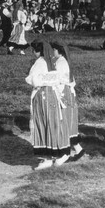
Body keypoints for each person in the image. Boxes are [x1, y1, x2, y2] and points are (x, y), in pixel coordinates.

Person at [25, 40, 71, 169]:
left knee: (42, 123)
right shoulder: (51, 62)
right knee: (53, 123)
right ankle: (56, 153)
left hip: (42, 95)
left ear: (36, 51)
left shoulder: (40, 62)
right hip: (52, 94)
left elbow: (33, 79)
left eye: (33, 50)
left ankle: (47, 157)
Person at [51, 41, 84, 161]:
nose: (52, 52)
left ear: (59, 51)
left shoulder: (60, 63)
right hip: (68, 92)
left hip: (63, 93)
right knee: (68, 121)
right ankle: (78, 149)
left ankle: (64, 153)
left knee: (64, 121)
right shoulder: (64, 61)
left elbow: (58, 80)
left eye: (54, 49)